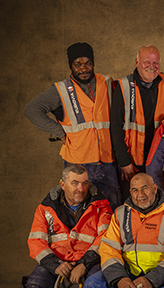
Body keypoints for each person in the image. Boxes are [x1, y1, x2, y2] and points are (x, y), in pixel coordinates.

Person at [24, 42, 121, 209]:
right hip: (78, 165)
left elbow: (125, 93)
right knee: (79, 214)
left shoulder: (106, 81)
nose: (84, 69)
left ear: (93, 63)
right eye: (78, 65)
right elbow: (32, 109)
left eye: (88, 63)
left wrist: (148, 77)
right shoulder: (60, 90)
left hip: (107, 162)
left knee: (113, 211)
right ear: (71, 66)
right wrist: (59, 132)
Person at [25, 164, 112, 288]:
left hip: (90, 260)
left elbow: (106, 239)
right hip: (57, 261)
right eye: (75, 183)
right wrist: (56, 265)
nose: (81, 188)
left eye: (85, 183)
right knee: (35, 287)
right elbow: (36, 241)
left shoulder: (101, 206)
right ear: (62, 184)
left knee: (97, 285)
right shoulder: (45, 209)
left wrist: (83, 265)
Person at [111, 45, 164, 194]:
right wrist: (124, 162)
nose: (152, 67)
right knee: (133, 200)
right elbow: (115, 127)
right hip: (131, 159)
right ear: (137, 62)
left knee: (156, 199)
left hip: (156, 159)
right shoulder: (123, 86)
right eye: (147, 62)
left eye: (156, 63)